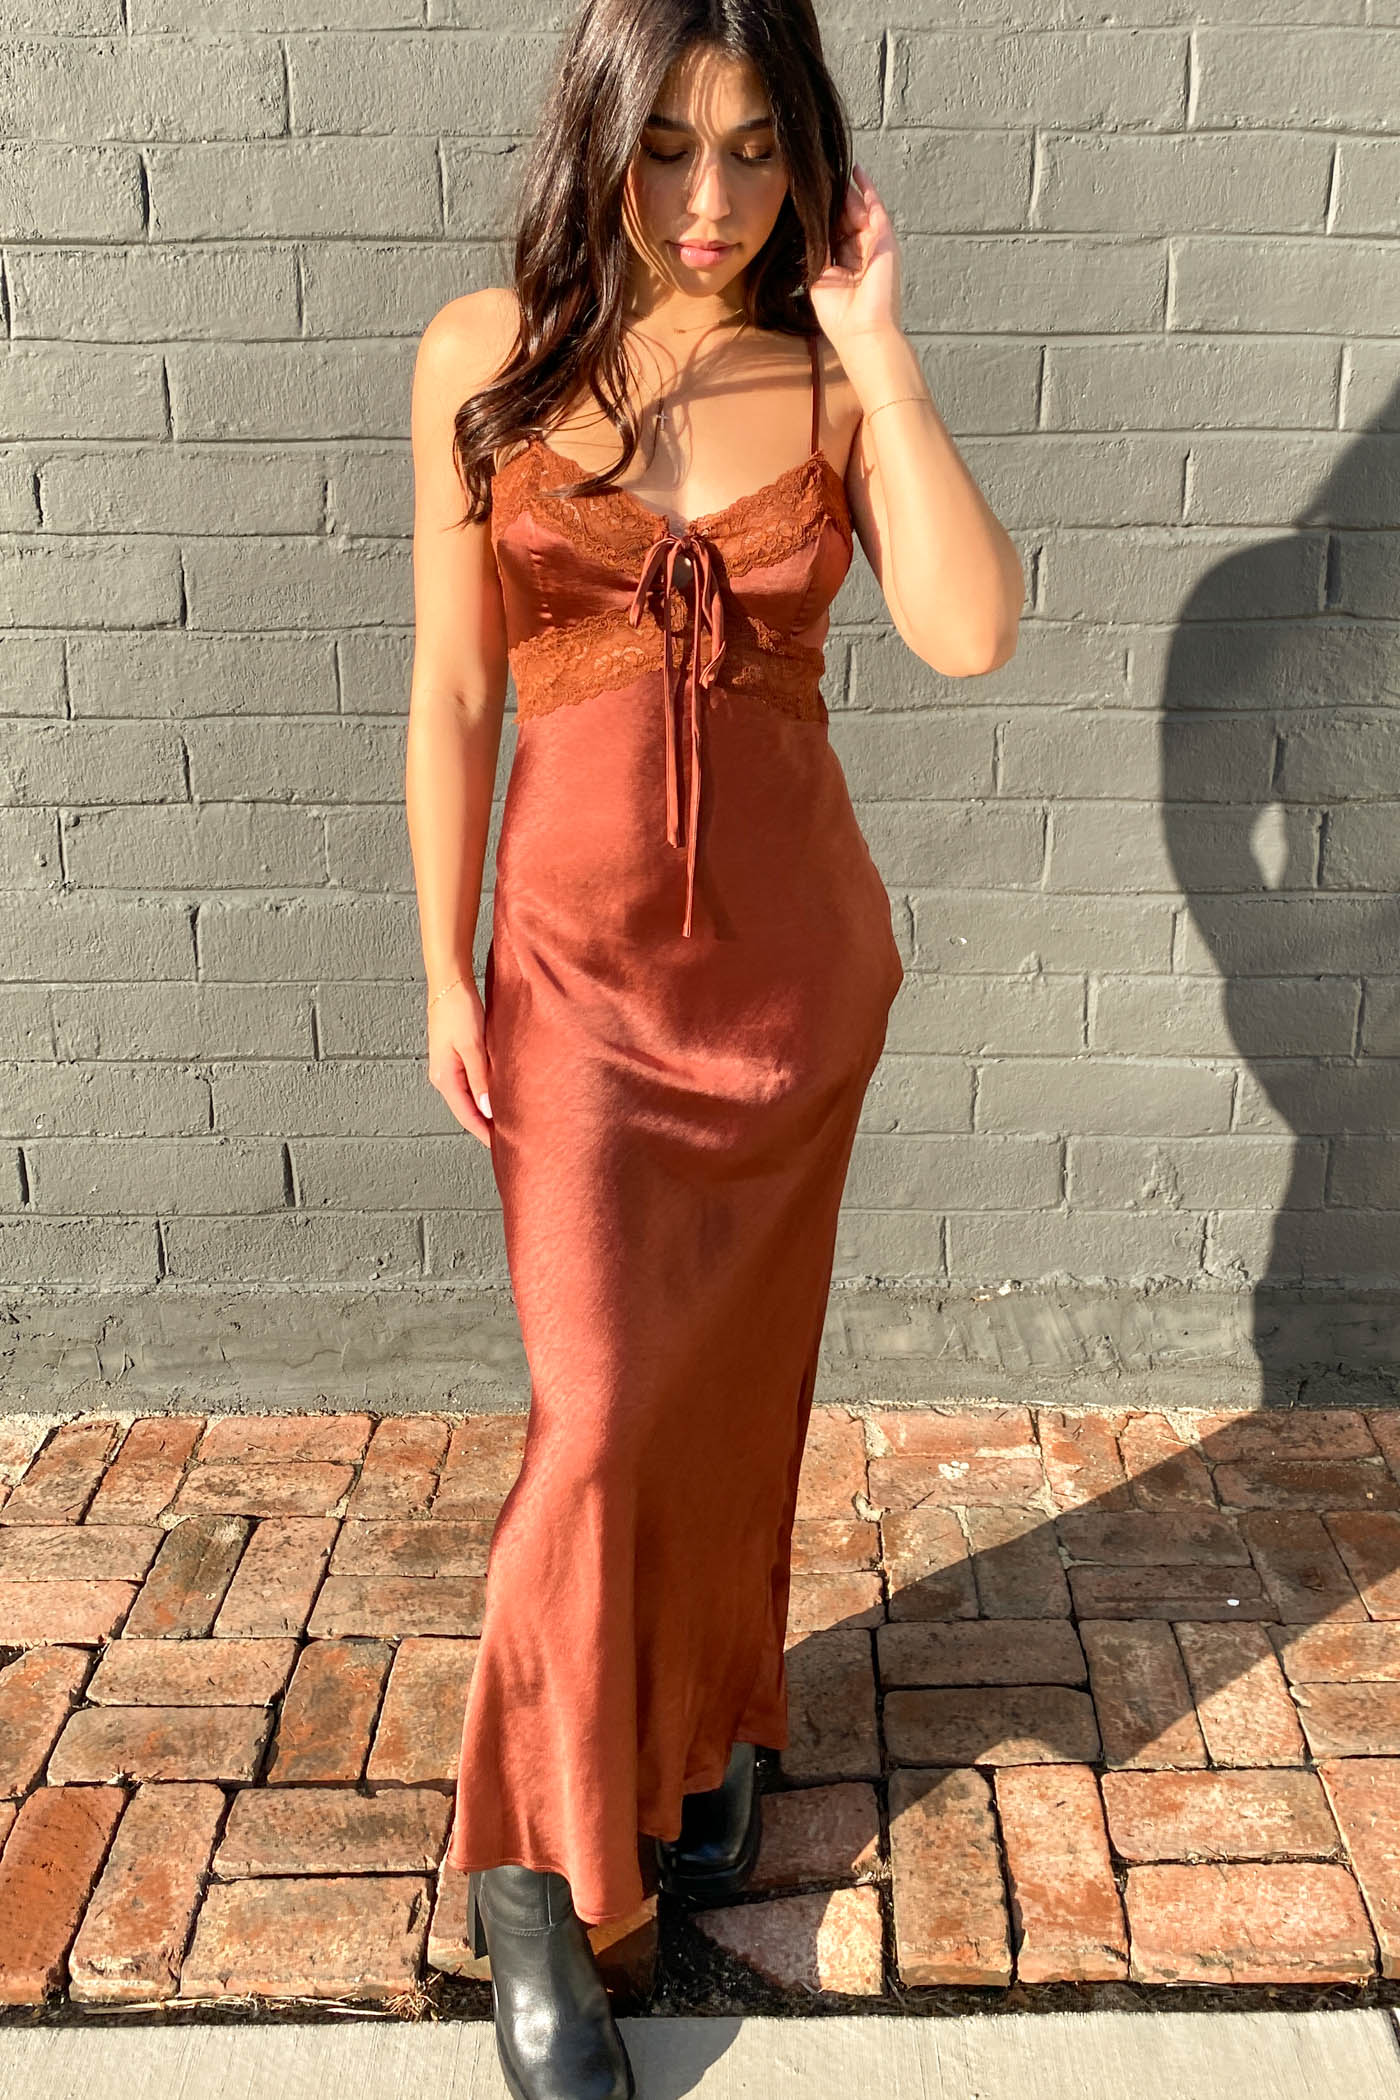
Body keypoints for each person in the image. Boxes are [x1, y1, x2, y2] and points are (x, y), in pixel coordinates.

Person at [405, 1, 1023, 2090]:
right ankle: (537, 1880)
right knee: (591, 1417)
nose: (705, 199)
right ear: (597, 133)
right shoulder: (479, 363)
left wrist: (880, 353)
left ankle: (697, 1735)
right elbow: (454, 703)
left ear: (809, 158)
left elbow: (967, 629)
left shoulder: (829, 385)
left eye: (755, 151)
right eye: (665, 146)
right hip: (571, 985)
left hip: (793, 981)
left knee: (728, 1400)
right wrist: (438, 968)